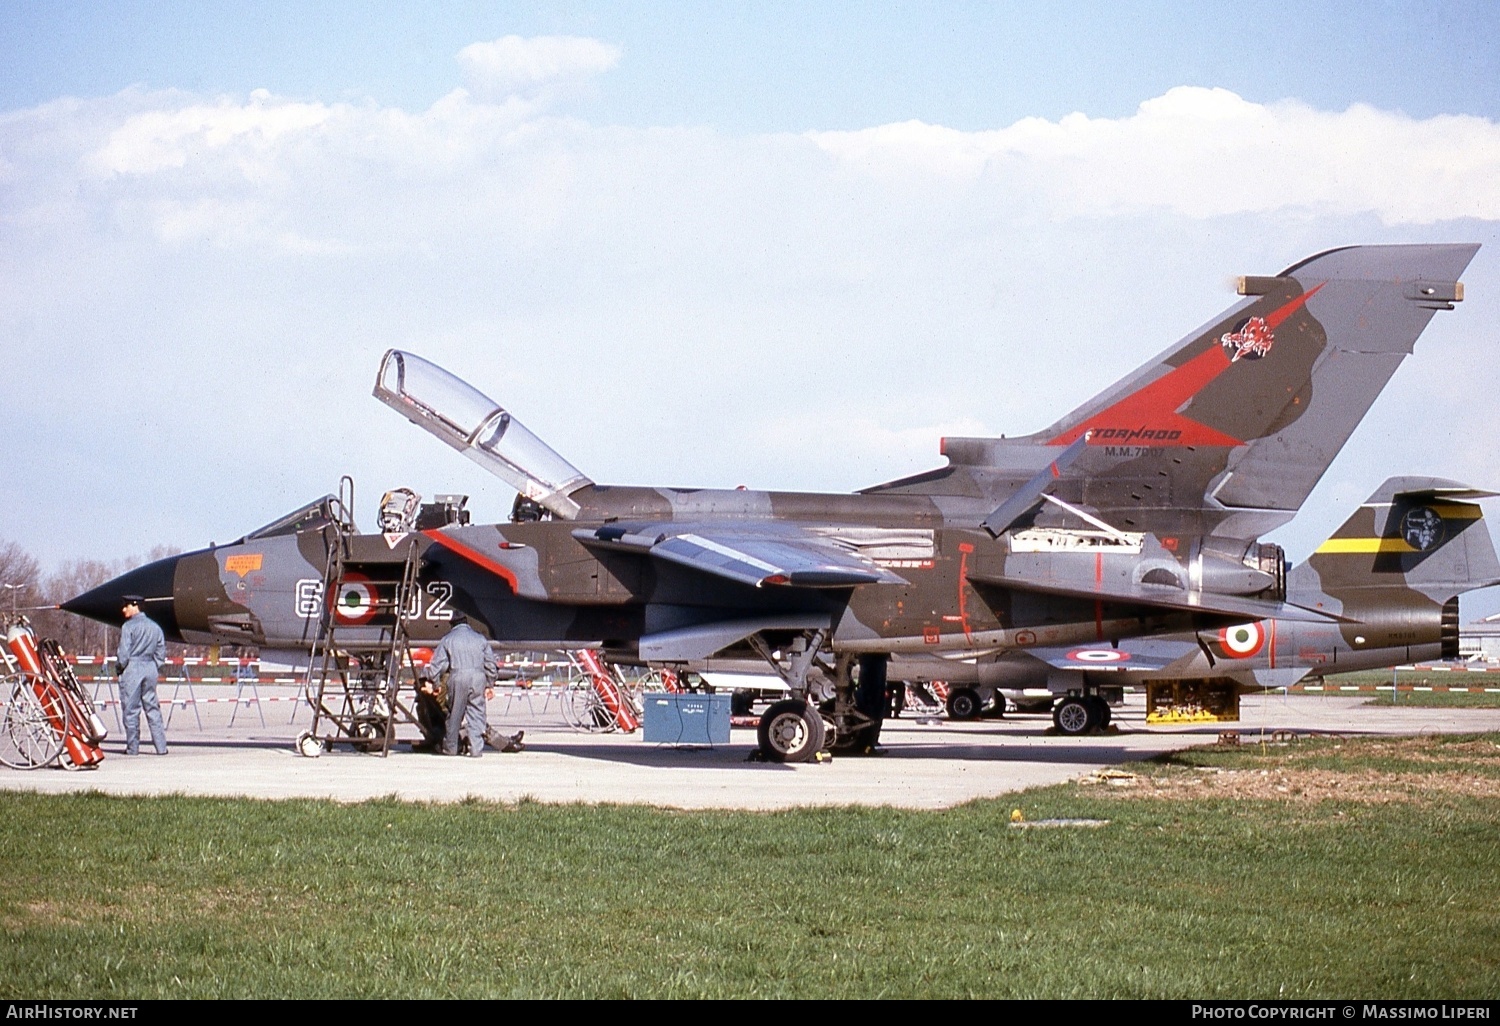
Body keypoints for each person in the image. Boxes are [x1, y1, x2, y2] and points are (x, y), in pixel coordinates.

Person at [422, 616, 501, 758]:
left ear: (452, 624)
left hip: (457, 676)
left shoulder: (448, 639)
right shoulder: (480, 639)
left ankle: (451, 749)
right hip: (478, 677)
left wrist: (434, 683)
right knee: (477, 713)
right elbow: (490, 663)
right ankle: (476, 750)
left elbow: (437, 664)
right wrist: (490, 683)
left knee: (455, 714)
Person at [115, 595, 168, 755]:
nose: (123, 609)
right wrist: (153, 667)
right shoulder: (155, 627)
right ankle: (161, 747)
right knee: (152, 708)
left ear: (135, 605)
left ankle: (133, 748)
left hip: (132, 668)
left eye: (126, 606)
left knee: (131, 710)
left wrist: (120, 668)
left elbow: (123, 654)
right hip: (150, 668)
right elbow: (160, 653)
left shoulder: (128, 627)